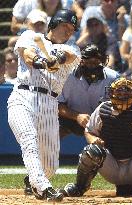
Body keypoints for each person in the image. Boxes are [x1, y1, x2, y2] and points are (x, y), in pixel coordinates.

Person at [7, 9, 80, 202]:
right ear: (55, 23)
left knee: (50, 166)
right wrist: (41, 61)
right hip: (23, 96)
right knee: (29, 141)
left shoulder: (74, 48)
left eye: (72, 29)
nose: (68, 31)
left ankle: (35, 180)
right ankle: (45, 188)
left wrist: (55, 59)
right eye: (65, 26)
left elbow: (68, 57)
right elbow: (28, 55)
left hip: (49, 104)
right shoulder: (31, 35)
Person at [58, 77, 132, 197]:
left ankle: (128, 186)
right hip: (111, 167)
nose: (123, 94)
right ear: (111, 93)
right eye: (119, 91)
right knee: (91, 151)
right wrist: (93, 140)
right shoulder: (103, 109)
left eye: (127, 91)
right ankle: (79, 187)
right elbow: (89, 131)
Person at [58, 44, 119, 138]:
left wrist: (102, 119)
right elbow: (57, 105)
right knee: (54, 127)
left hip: (101, 120)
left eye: (96, 62)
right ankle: (47, 151)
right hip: (71, 118)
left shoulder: (113, 77)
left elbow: (120, 104)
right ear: (81, 61)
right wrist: (77, 116)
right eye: (89, 62)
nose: (92, 66)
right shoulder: (67, 75)